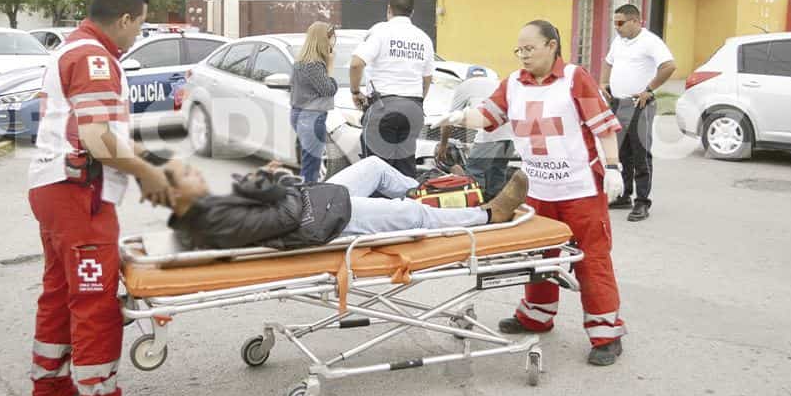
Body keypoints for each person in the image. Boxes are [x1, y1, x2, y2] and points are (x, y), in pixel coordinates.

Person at [436, 19, 630, 366]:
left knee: (592, 260)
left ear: (551, 45)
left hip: (580, 189)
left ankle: (606, 333)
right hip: (539, 190)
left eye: (530, 48)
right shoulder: (512, 84)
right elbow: (488, 116)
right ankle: (536, 316)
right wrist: (458, 117)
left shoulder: (575, 78)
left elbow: (603, 125)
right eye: (519, 50)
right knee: (539, 258)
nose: (523, 56)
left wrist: (613, 168)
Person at [26, 0, 167, 396]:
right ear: (125, 18)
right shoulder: (93, 58)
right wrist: (148, 174)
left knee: (59, 291)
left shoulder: (71, 48)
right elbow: (96, 139)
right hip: (77, 194)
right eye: (140, 26)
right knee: (94, 300)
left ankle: (51, 392)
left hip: (54, 189)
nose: (137, 36)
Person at [163, 156, 529, 250]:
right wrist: (276, 183)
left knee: (374, 168)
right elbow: (286, 217)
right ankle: (487, 214)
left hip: (316, 201)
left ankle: (433, 190)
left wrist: (262, 178)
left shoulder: (212, 210)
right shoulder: (217, 223)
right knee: (411, 215)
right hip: (320, 220)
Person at [599, 4, 676, 222]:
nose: (617, 27)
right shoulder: (619, 41)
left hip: (639, 104)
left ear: (636, 21)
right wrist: (603, 82)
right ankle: (624, 195)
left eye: (621, 22)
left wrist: (649, 89)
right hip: (619, 103)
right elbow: (608, 61)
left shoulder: (650, 42)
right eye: (615, 22)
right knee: (622, 151)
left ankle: (642, 202)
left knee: (641, 152)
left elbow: (669, 66)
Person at [349, 0, 435, 178]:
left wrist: (355, 92)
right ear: (411, 13)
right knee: (405, 173)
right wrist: (416, 101)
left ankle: (379, 206)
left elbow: (356, 63)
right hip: (413, 109)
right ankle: (407, 205)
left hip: (384, 108)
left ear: (389, 9)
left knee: (376, 171)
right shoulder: (424, 38)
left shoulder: (380, 31)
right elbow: (427, 79)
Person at [436, 66, 517, 201]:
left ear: (467, 78)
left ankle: (476, 207)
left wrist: (443, 145)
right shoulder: (496, 83)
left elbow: (449, 119)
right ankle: (495, 208)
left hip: (490, 134)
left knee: (475, 171)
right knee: (497, 173)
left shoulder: (465, 85)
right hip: (511, 135)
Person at [290, 22, 339, 183]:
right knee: (311, 167)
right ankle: (307, 202)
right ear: (323, 40)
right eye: (332, 38)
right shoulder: (314, 65)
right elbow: (329, 90)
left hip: (300, 114)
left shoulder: (301, 62)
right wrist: (331, 66)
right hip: (311, 117)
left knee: (308, 163)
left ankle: (304, 199)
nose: (334, 42)